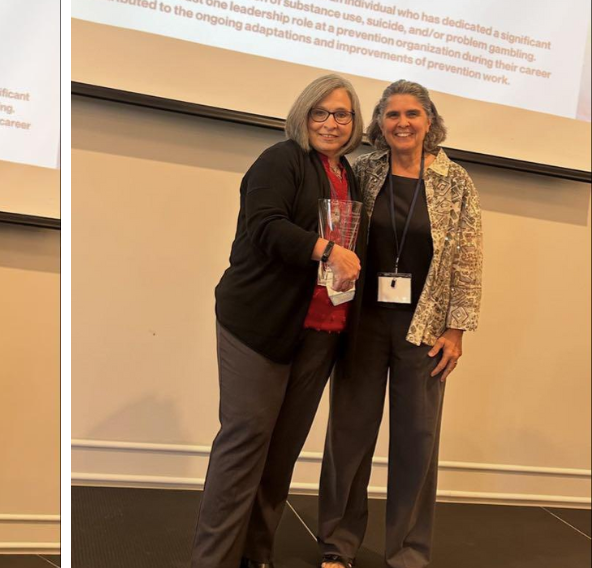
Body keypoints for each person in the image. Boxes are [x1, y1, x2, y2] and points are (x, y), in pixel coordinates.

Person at [192, 74, 368, 568]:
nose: (331, 123)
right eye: (321, 113)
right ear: (303, 114)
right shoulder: (280, 159)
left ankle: (256, 557)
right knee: (245, 443)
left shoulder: (348, 174)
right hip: (260, 325)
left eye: (343, 115)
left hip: (319, 331)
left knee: (281, 454)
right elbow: (265, 226)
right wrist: (327, 249)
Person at [317, 80, 483, 568]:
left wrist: (457, 329)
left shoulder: (457, 182)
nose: (402, 123)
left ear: (430, 121)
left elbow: (468, 261)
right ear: (379, 124)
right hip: (362, 322)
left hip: (425, 330)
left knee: (417, 443)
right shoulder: (362, 170)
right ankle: (337, 544)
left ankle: (408, 553)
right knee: (348, 438)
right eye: (392, 115)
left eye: (413, 114)